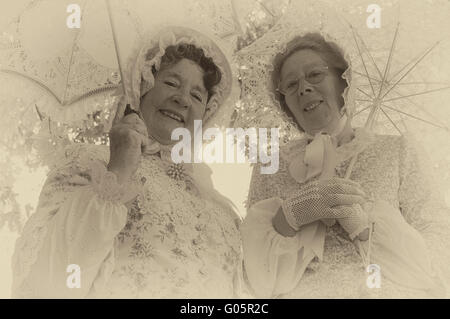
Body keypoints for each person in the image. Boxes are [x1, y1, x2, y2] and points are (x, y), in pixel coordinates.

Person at [11, 26, 243, 298]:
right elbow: (50, 279)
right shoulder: (89, 161)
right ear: (141, 88)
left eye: (196, 95)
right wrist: (118, 170)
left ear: (207, 113)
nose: (181, 99)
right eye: (171, 83)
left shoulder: (219, 207)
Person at [240, 32, 450, 298]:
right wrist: (289, 217)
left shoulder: (397, 150)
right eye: (291, 84)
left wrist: (370, 231)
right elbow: (253, 276)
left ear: (343, 83)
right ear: (286, 105)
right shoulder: (269, 165)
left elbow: (441, 245)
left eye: (315, 74)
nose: (303, 88)